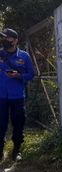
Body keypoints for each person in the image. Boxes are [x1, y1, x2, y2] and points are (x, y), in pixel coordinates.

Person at [0, 28, 34, 161]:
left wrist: (19, 75)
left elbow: (31, 74)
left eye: (7, 38)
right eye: (3, 37)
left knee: (18, 123)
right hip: (1, 96)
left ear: (15, 40)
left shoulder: (24, 56)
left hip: (17, 96)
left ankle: (17, 150)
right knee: (0, 124)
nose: (4, 40)